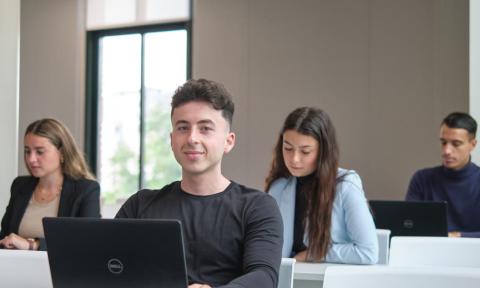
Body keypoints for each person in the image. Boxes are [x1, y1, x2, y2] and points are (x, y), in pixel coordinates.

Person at [116, 79, 283, 288]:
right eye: (183, 128)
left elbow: (264, 276)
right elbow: (107, 267)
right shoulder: (140, 205)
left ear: (228, 141)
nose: (192, 138)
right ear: (171, 139)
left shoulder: (257, 206)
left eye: (205, 128)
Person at [266, 107, 378, 264]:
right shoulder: (279, 187)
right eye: (288, 148)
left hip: (332, 280)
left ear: (323, 151)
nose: (294, 159)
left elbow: (368, 252)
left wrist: (312, 254)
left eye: (305, 152)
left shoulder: (346, 186)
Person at [0, 118, 101, 251]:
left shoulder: (86, 190)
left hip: (61, 270)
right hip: (16, 268)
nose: (31, 159)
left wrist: (33, 245)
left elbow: (88, 241)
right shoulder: (20, 186)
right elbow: (5, 235)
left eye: (40, 151)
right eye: (27, 151)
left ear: (62, 153)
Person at [406, 112, 480, 237]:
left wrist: (457, 237)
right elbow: (408, 225)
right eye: (443, 142)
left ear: (472, 144)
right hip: (429, 252)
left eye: (456, 144)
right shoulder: (422, 179)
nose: (447, 151)